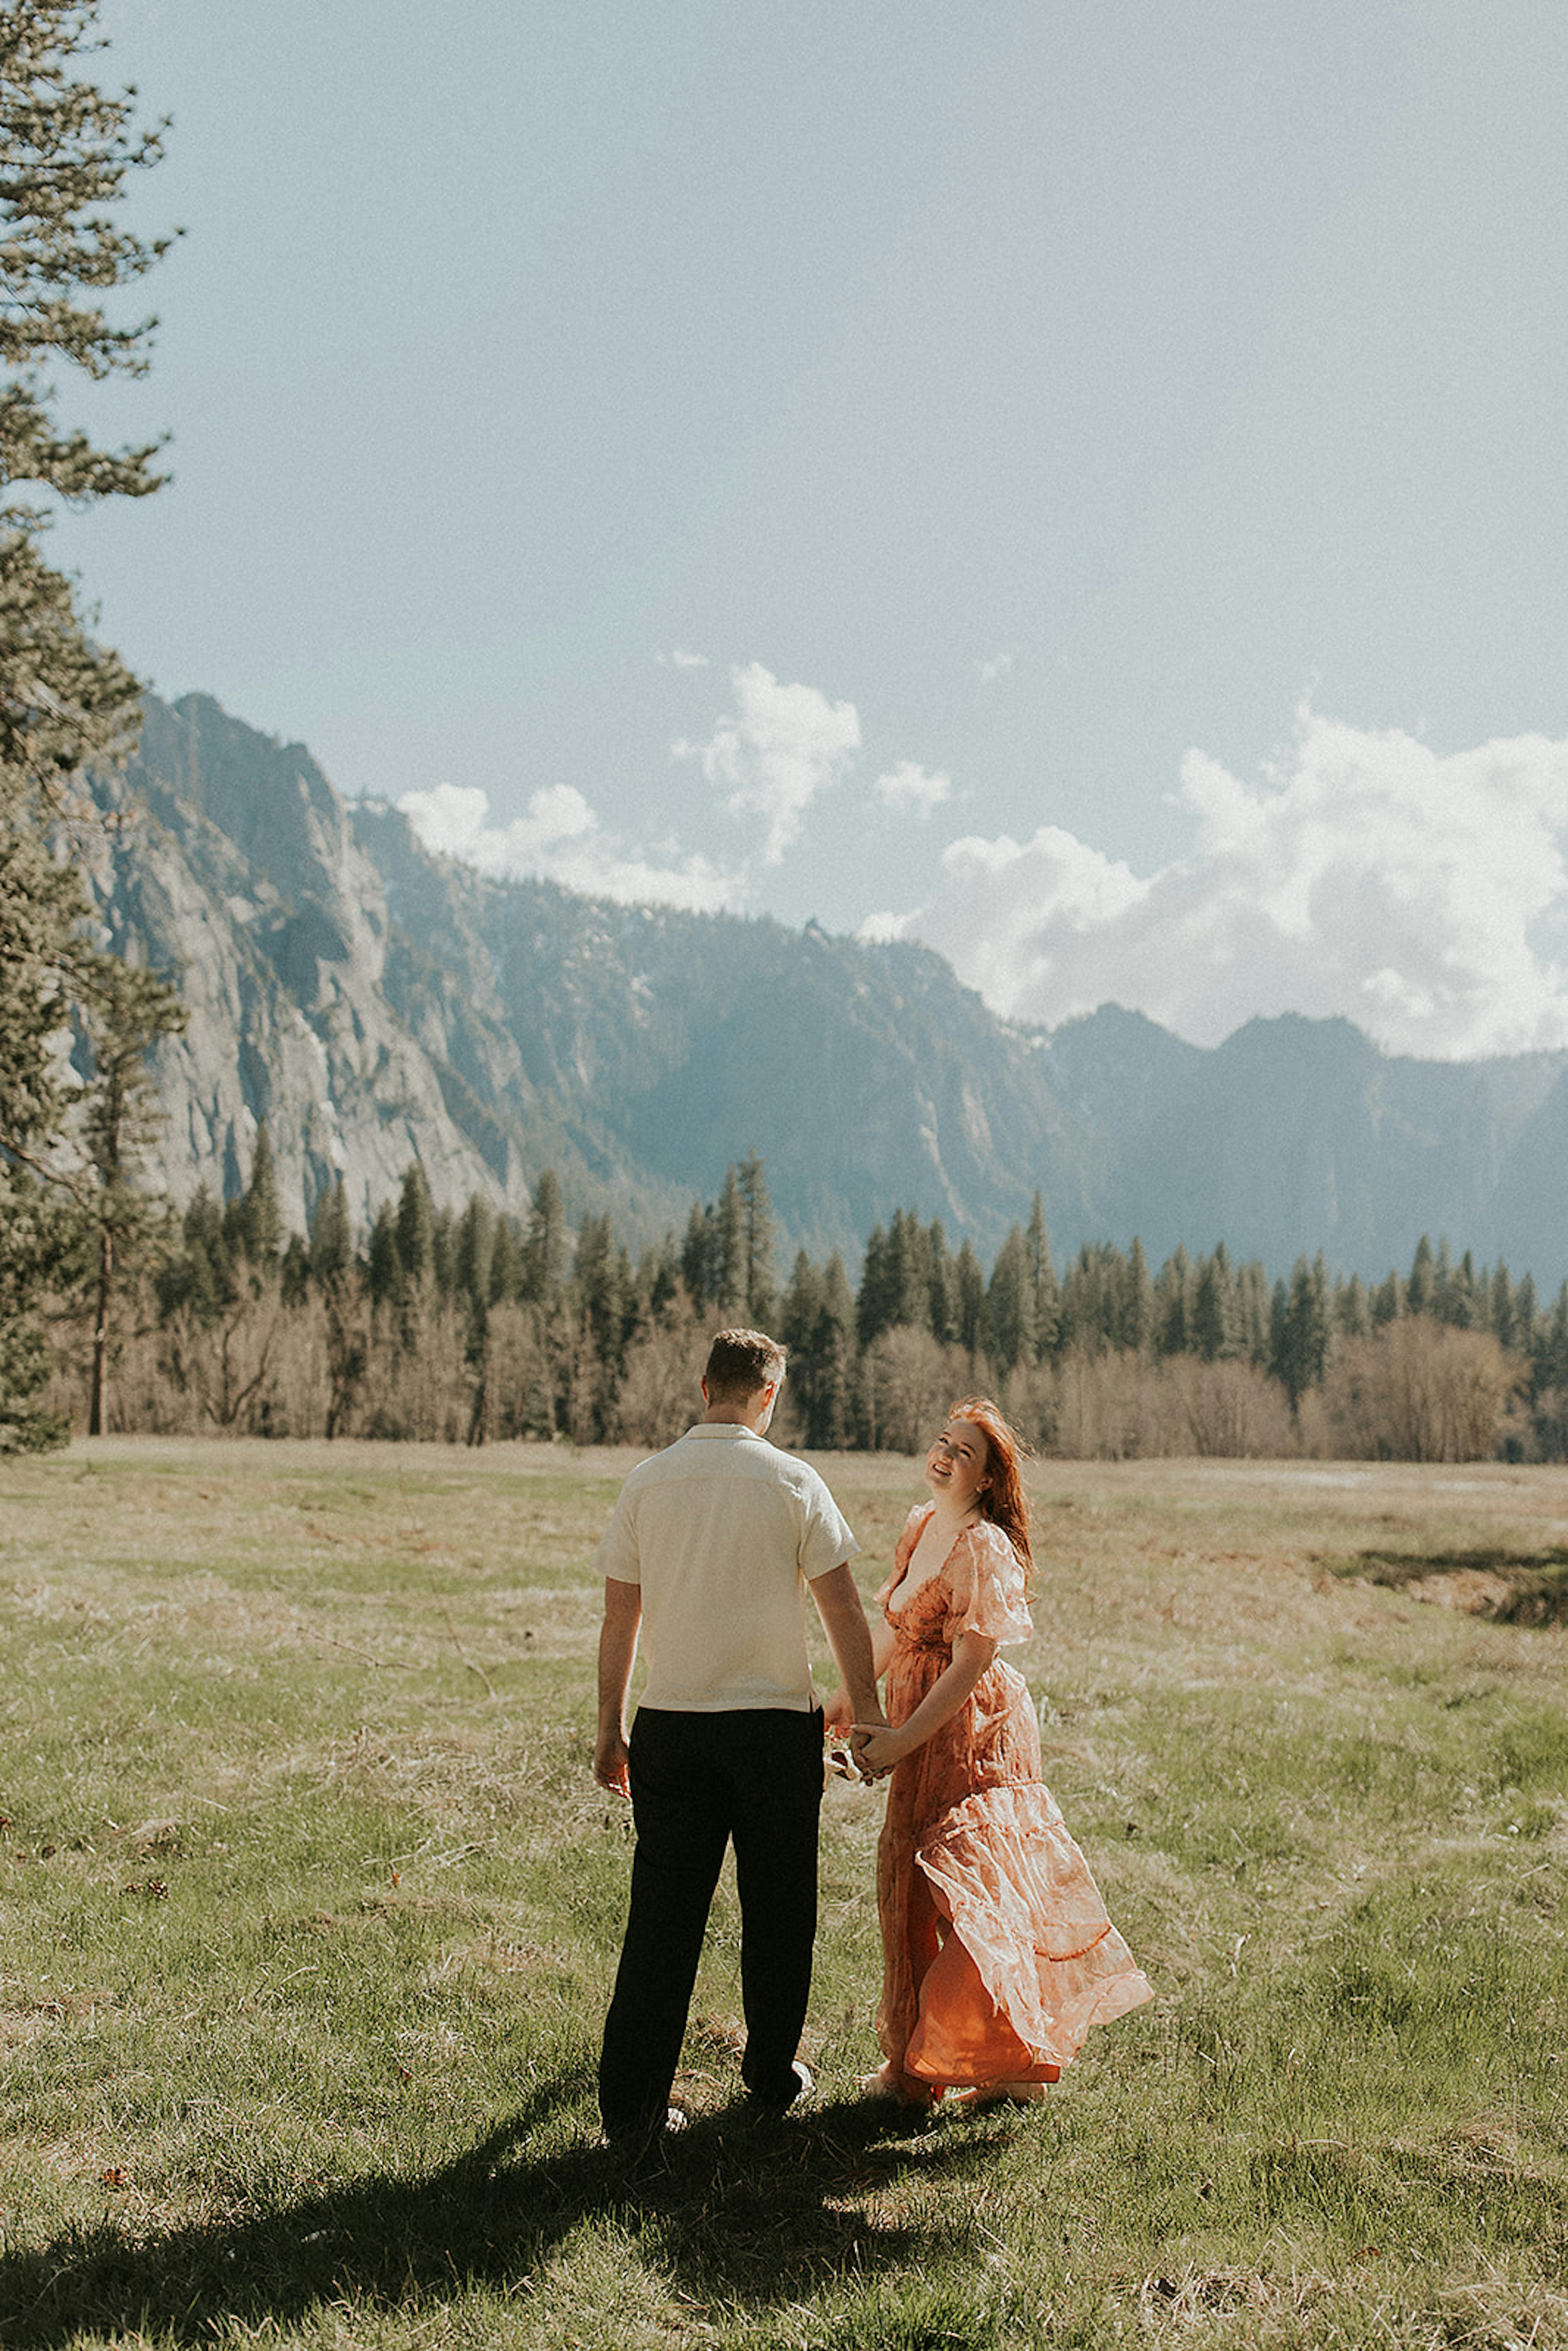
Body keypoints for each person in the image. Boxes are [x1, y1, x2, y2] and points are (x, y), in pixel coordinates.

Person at [593, 1327, 885, 2151]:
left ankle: (633, 2111)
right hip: (770, 1733)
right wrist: (867, 1714)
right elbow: (844, 1612)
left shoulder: (648, 1481)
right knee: (781, 1908)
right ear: (769, 1395)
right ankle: (769, 2072)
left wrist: (610, 1728)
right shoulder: (793, 1480)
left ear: (701, 1385)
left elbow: (622, 1616)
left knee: (662, 1918)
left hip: (672, 1725)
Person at [829, 1396, 1152, 2107]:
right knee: (907, 1891)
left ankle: (1005, 2062)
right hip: (915, 1731)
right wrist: (848, 1704)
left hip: (975, 1733)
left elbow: (972, 1662)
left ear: (985, 1481)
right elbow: (895, 1634)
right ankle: (914, 2073)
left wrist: (903, 1739)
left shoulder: (985, 1546)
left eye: (964, 1451)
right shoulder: (921, 1526)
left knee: (977, 1899)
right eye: (943, 1440)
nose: (945, 1454)